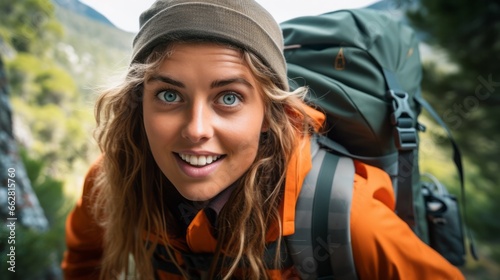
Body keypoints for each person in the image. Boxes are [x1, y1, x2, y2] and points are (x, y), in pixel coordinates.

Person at [61, 0, 466, 279]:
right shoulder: (114, 180)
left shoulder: (341, 215)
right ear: (138, 105)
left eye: (230, 98)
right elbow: (83, 263)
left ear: (271, 116)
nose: (197, 128)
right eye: (169, 95)